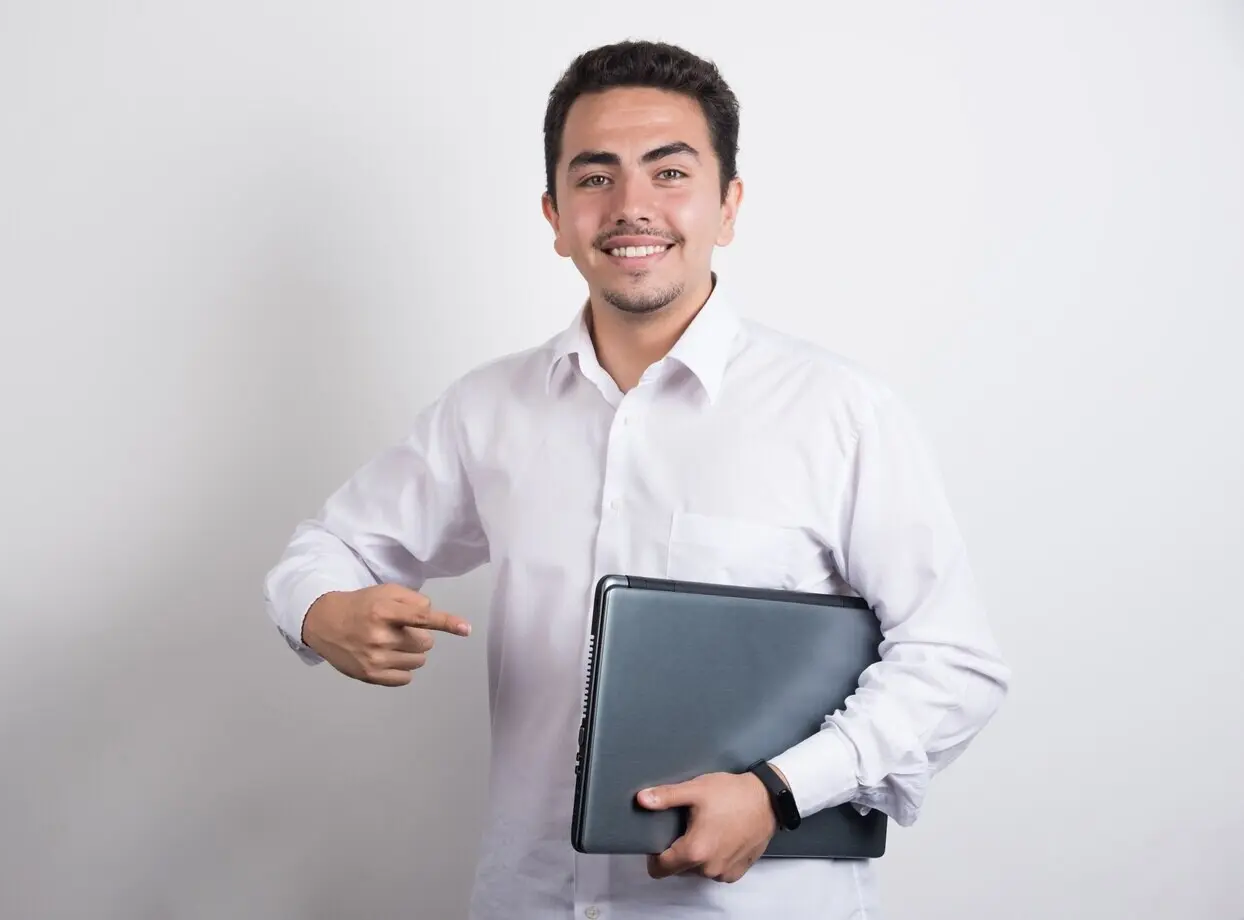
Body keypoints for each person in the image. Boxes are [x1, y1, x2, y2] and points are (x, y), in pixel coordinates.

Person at [263, 39, 1011, 920]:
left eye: (669, 173)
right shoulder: (487, 411)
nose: (631, 207)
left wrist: (779, 791)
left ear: (728, 205)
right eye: (595, 177)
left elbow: (952, 660)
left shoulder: (841, 413)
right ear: (554, 214)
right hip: (531, 900)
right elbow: (331, 546)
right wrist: (324, 610)